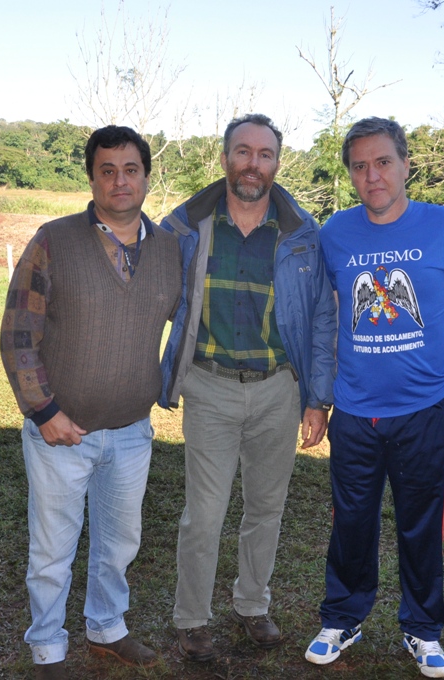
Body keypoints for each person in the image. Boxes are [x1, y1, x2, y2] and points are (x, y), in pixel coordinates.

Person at [304, 117, 444, 678]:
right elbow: (321, 315)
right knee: (351, 521)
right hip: (353, 412)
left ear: (405, 165)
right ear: (350, 174)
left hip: (423, 412)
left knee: (421, 524)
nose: (371, 175)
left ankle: (422, 629)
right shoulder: (334, 235)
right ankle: (342, 617)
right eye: (359, 166)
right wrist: (316, 398)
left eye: (382, 162)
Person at [0, 125, 181, 679]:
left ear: (147, 177)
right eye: (107, 170)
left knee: (119, 544)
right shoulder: (54, 241)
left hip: (131, 432)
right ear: (92, 178)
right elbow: (18, 336)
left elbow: (191, 326)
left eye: (130, 169)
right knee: (52, 551)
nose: (119, 181)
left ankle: (107, 627)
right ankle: (48, 646)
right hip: (62, 433)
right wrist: (45, 412)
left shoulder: (170, 251)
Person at [158, 113, 336, 662]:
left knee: (266, 507)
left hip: (278, 390)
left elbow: (322, 318)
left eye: (264, 154)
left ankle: (252, 605)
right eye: (242, 152)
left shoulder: (302, 234)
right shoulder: (186, 227)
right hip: (209, 386)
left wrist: (317, 396)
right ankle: (192, 620)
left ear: (277, 163)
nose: (252, 164)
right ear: (225, 158)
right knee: (204, 512)